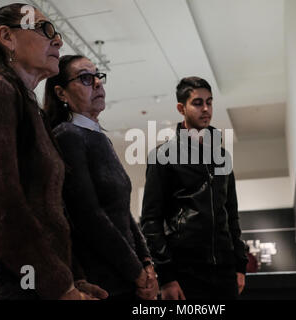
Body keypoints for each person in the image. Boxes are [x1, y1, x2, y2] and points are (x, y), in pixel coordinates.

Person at [0, 4, 107, 300]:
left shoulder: (30, 109)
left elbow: (51, 211)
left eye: (57, 33)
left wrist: (75, 278)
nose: (58, 40)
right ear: (7, 37)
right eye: (44, 29)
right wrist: (60, 285)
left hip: (33, 283)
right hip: (2, 285)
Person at [44, 55, 159, 300]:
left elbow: (123, 212)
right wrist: (137, 271)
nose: (97, 83)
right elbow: (88, 217)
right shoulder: (67, 135)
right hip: (102, 282)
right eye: (85, 78)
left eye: (98, 76)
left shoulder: (100, 138)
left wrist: (147, 263)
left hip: (127, 277)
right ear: (61, 93)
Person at [140, 76, 248, 300]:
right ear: (181, 108)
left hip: (225, 271)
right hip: (185, 273)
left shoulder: (221, 158)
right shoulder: (163, 156)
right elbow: (151, 221)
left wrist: (239, 265)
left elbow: (231, 215)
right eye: (198, 103)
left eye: (209, 102)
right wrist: (167, 276)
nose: (206, 108)